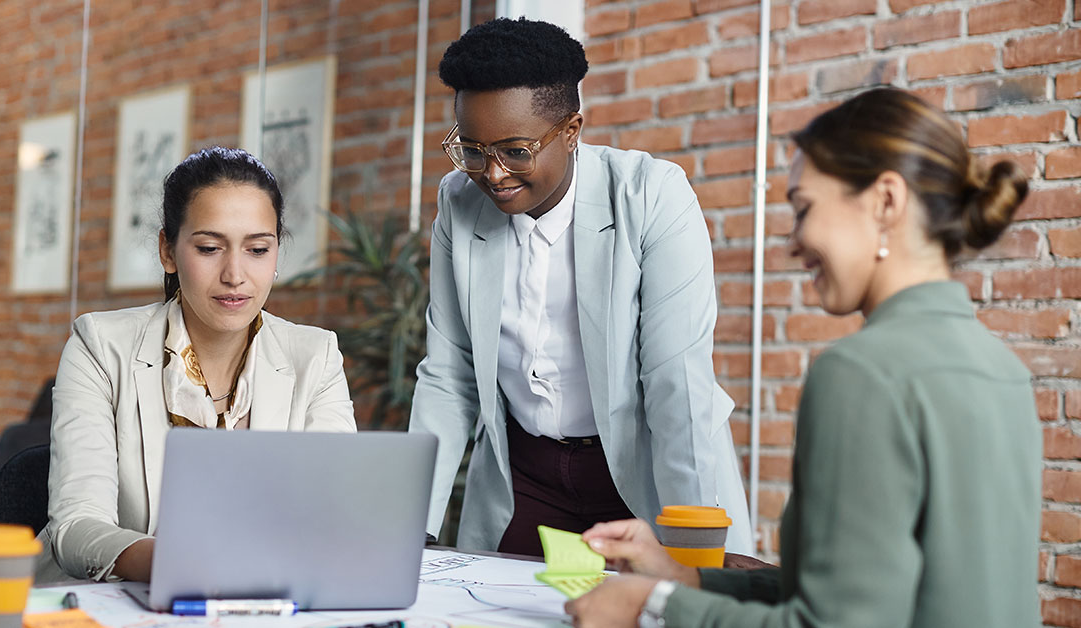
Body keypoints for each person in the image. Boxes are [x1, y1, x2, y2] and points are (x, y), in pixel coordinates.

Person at [565, 88, 1041, 628]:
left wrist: (650, 606)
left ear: (886, 201)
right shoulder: (1003, 369)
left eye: (804, 209)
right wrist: (685, 577)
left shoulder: (863, 374)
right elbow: (867, 593)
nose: (795, 241)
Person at [408, 17, 752, 557]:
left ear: (571, 131)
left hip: (641, 474)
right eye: (473, 150)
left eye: (516, 150)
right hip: (528, 480)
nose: (493, 174)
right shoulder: (459, 203)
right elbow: (449, 376)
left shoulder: (652, 196)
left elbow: (676, 384)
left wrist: (696, 553)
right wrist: (412, 524)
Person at [36, 147, 356, 583]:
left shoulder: (315, 357)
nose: (235, 274)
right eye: (209, 248)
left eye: (258, 249)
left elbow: (333, 516)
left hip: (258, 600)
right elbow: (75, 527)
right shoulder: (99, 345)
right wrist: (180, 565)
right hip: (115, 604)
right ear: (168, 251)